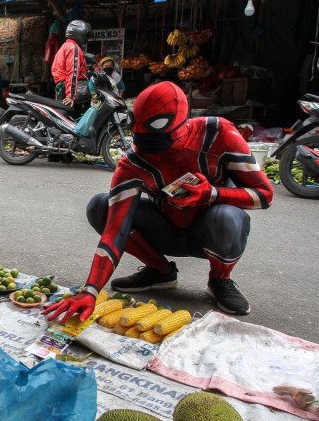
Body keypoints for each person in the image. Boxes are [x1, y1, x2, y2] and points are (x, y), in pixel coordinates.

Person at [44, 82, 273, 322]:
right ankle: (160, 272)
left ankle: (220, 279)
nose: (156, 155)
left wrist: (212, 194)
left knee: (226, 217)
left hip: (210, 232)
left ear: (182, 126)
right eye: (148, 149)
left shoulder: (218, 133)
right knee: (100, 206)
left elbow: (264, 195)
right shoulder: (134, 162)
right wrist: (90, 291)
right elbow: (115, 230)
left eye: (162, 146)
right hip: (165, 229)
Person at [51, 20, 91, 108]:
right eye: (86, 35)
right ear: (79, 34)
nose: (87, 38)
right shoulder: (73, 48)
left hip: (62, 87)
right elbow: (73, 72)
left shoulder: (65, 45)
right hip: (68, 89)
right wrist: (71, 95)